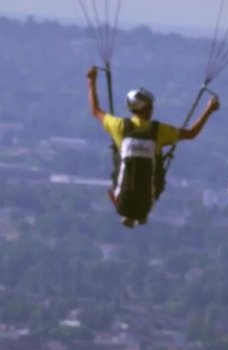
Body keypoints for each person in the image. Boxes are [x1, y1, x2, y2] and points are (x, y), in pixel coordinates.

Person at [86, 66, 220, 228]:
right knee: (157, 167)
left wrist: (92, 80)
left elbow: (95, 110)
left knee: (117, 152)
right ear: (147, 108)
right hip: (145, 206)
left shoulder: (119, 126)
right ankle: (139, 215)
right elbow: (191, 133)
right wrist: (209, 110)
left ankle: (127, 213)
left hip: (122, 204)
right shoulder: (159, 131)